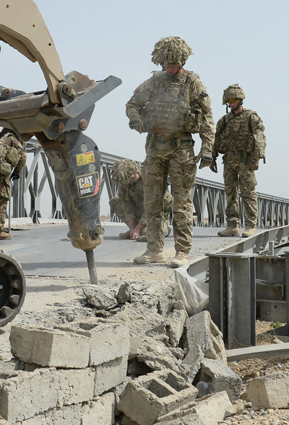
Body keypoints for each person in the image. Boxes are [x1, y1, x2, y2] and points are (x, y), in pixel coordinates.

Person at [125, 36, 214, 267]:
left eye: (174, 63)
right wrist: (135, 120)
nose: (170, 67)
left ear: (182, 60)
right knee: (152, 201)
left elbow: (207, 117)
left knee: (182, 202)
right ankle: (154, 249)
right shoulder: (154, 82)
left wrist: (207, 148)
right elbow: (132, 103)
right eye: (166, 63)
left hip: (181, 147)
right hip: (155, 147)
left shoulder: (192, 82)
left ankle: (182, 252)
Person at [211, 84, 266, 238]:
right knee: (230, 194)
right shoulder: (224, 120)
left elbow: (260, 137)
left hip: (245, 160)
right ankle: (232, 225)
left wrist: (256, 158)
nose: (231, 103)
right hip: (229, 160)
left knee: (248, 193)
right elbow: (216, 139)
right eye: (229, 101)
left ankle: (250, 225)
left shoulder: (251, 117)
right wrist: (212, 157)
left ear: (240, 100)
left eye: (234, 100)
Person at [109, 158, 173, 241]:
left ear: (133, 174)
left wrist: (138, 228)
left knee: (153, 232)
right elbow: (126, 206)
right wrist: (133, 228)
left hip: (156, 213)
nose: (125, 183)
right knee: (114, 202)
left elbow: (152, 207)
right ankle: (136, 231)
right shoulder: (124, 181)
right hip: (140, 211)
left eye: (127, 180)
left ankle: (161, 228)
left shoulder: (150, 179)